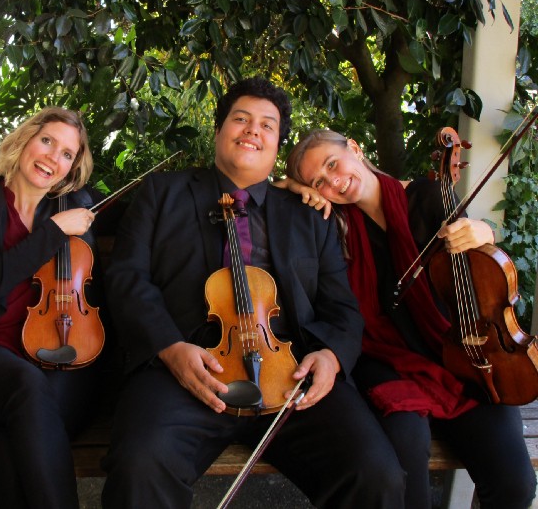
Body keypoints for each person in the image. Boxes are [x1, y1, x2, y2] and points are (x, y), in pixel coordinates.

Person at [101, 77, 405, 508]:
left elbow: (341, 307)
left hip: (291, 376)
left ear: (278, 144)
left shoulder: (307, 213)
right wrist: (169, 349)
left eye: (267, 125)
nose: (252, 130)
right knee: (140, 465)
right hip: (185, 370)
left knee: (375, 473)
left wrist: (331, 357)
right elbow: (127, 279)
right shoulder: (161, 193)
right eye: (240, 119)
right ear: (219, 129)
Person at [284, 128, 536, 508]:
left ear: (355, 148)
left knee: (515, 484)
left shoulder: (427, 197)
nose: (333, 181)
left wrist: (484, 232)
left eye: (333, 163)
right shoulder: (333, 227)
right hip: (387, 361)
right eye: (319, 180)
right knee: (404, 459)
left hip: (462, 357)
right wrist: (290, 186)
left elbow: (477, 266)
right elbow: (262, 199)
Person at [0, 106, 108, 509]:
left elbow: (153, 206)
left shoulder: (78, 205)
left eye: (67, 154)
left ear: (72, 168)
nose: (53, 157)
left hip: (62, 351)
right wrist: (52, 232)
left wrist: (280, 188)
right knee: (27, 388)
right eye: (47, 141)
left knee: (13, 446)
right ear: (23, 141)